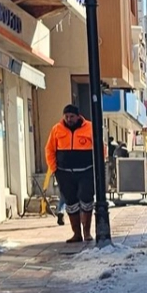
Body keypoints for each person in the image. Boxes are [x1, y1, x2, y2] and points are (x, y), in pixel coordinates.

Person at [45, 103, 95, 243]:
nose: (69, 119)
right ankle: (76, 234)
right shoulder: (56, 129)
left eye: (71, 116)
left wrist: (97, 166)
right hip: (65, 173)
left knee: (86, 200)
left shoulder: (90, 128)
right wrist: (54, 168)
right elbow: (49, 150)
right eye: (66, 116)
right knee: (71, 202)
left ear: (78, 116)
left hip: (86, 171)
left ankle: (87, 232)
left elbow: (100, 148)